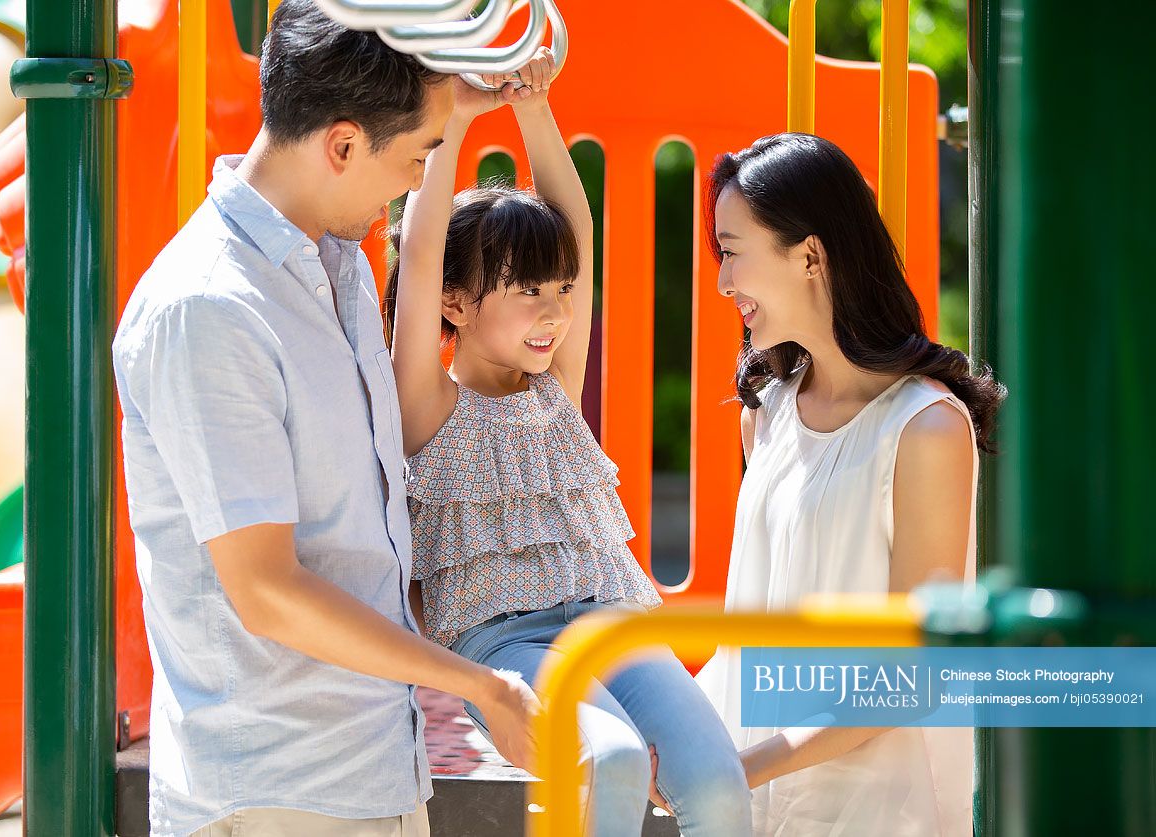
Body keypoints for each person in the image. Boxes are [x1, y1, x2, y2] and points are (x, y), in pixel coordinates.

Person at [111, 3, 539, 835]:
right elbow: (266, 590)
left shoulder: (329, 256)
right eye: (416, 157)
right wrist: (477, 683)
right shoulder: (211, 309)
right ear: (342, 144)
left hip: (365, 766)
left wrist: (448, 107)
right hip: (276, 788)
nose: (420, 177)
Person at [384, 48, 753, 837]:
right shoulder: (430, 403)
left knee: (718, 781)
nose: (553, 311)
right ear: (453, 302)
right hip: (505, 640)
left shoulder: (552, 388)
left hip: (611, 622)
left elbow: (575, 226)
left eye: (560, 291)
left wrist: (531, 104)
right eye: (527, 293)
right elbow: (418, 253)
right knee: (611, 758)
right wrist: (450, 120)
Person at [694, 133, 1006, 836]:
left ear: (809, 254)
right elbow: (742, 636)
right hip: (743, 800)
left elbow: (910, 671)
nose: (722, 281)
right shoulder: (766, 413)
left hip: (876, 811)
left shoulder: (925, 428)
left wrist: (742, 765)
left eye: (732, 249)